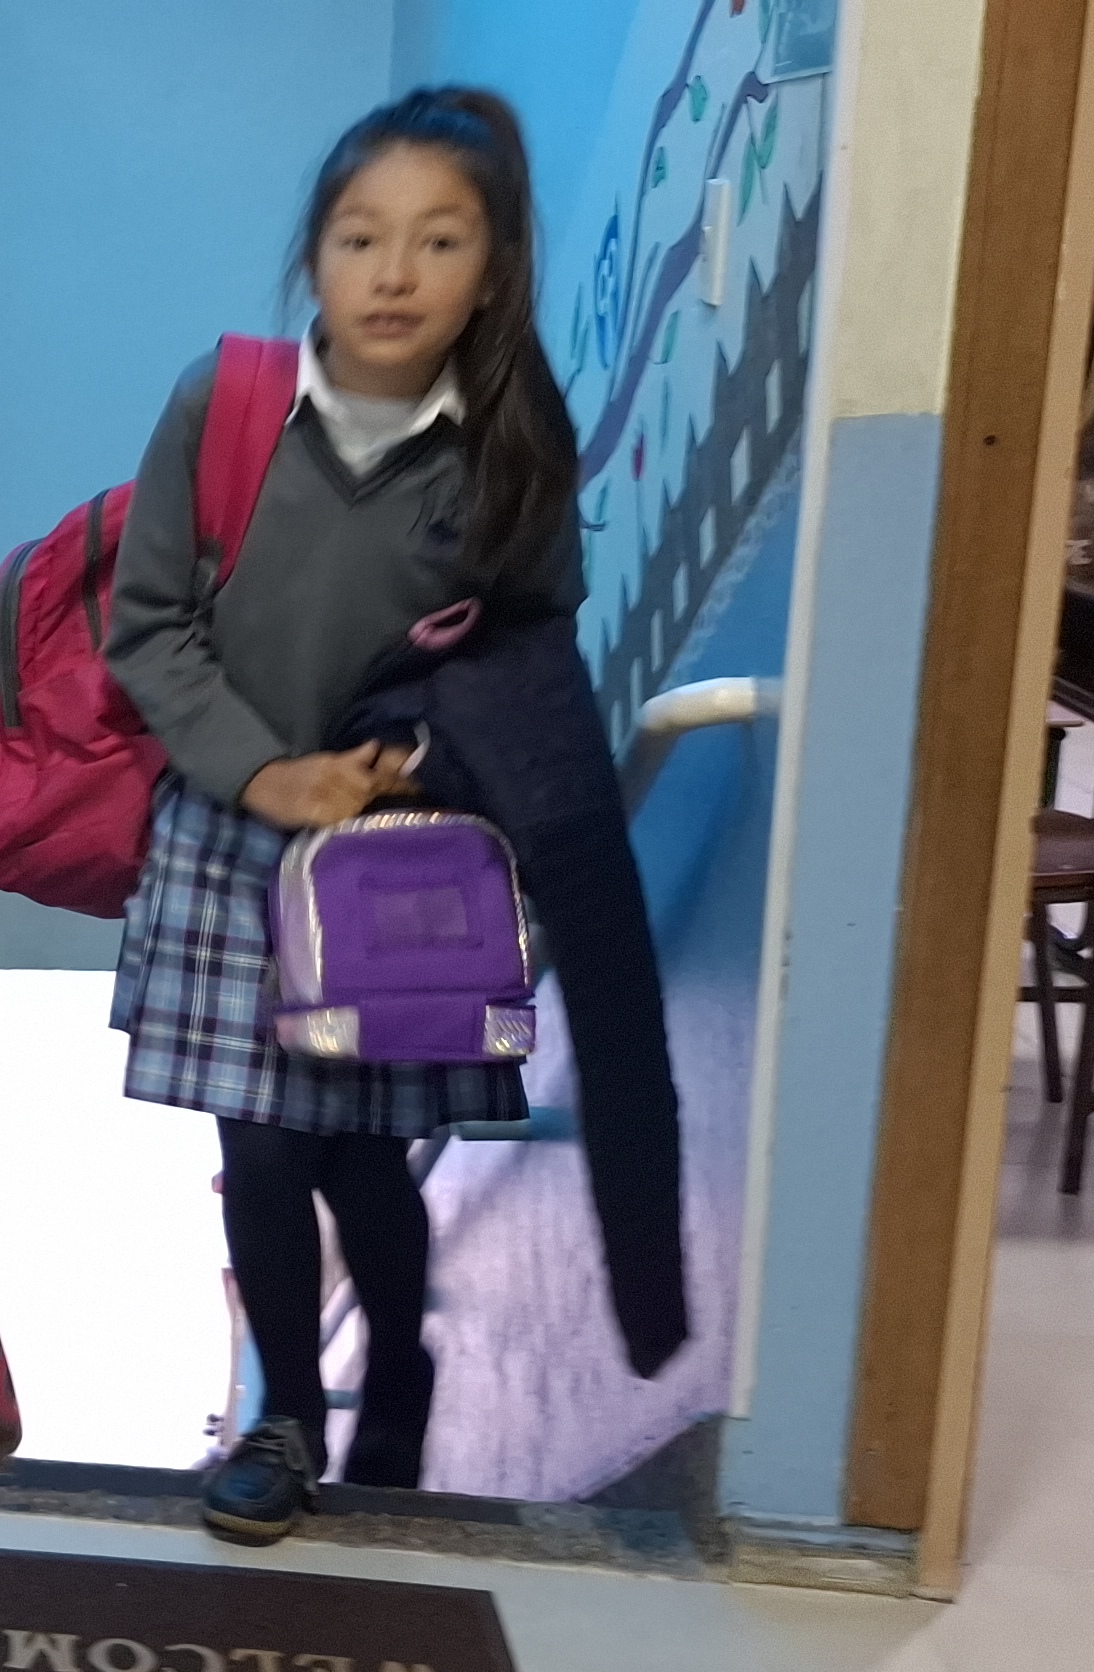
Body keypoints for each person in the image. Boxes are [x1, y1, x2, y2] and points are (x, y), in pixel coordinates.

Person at [102, 87, 684, 1547]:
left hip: (395, 849)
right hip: (234, 831)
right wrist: (265, 774)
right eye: (361, 238)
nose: (395, 273)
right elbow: (150, 626)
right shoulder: (224, 406)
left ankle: (402, 1371)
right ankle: (287, 1422)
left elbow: (526, 645)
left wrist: (420, 750)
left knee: (365, 1152)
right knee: (263, 1148)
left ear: (493, 268)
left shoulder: (511, 441)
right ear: (315, 255)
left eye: (440, 240)